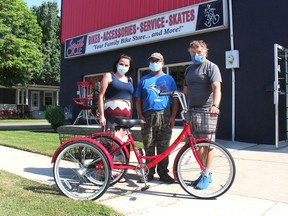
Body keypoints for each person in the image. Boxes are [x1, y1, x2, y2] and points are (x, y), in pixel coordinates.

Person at [183, 40, 222, 190]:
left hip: (207, 110)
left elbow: (217, 87)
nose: (196, 55)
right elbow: (185, 91)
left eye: (199, 52)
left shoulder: (212, 67)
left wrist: (215, 106)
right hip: (192, 110)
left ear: (205, 52)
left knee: (208, 143)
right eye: (193, 53)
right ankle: (203, 170)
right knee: (197, 144)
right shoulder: (189, 70)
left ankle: (207, 172)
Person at [135, 52, 178, 184]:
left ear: (162, 63)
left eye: (157, 61)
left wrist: (172, 117)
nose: (154, 63)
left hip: (164, 115)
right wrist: (141, 116)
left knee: (163, 146)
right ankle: (149, 172)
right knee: (149, 145)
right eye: (152, 61)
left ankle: (163, 173)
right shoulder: (144, 80)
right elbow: (138, 100)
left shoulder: (169, 79)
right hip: (148, 116)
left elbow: (175, 98)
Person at [98, 54, 134, 182]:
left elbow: (130, 99)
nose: (123, 66)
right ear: (117, 64)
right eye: (121, 64)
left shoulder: (129, 80)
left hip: (126, 117)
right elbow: (101, 96)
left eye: (126, 65)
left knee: (123, 145)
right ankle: (104, 172)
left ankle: (120, 173)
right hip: (111, 116)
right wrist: (101, 115)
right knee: (109, 143)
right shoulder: (109, 76)